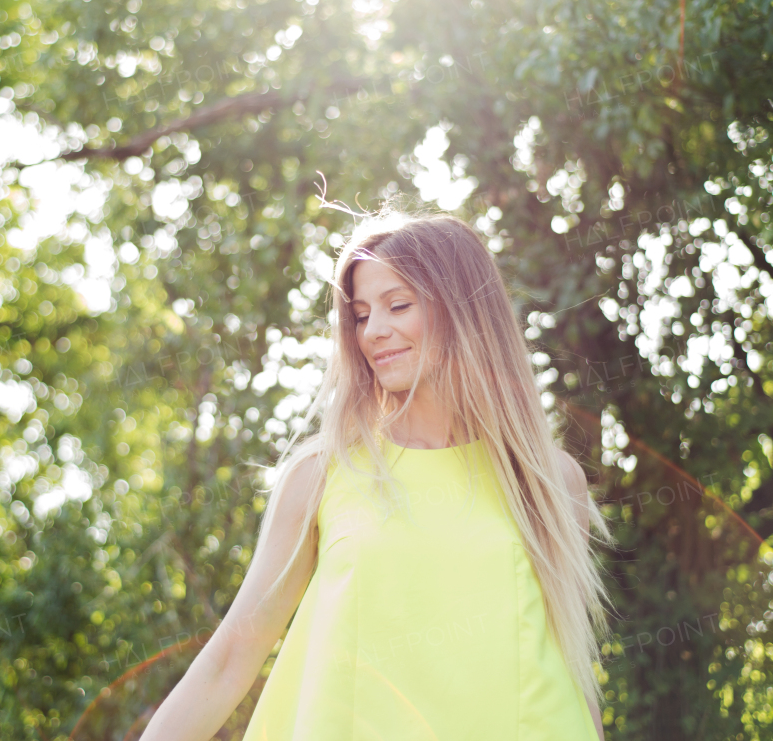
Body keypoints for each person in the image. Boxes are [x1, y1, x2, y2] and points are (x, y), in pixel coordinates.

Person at [137, 209, 614, 741]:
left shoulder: (549, 479)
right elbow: (232, 655)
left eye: (398, 305)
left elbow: (569, 663)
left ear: (466, 311)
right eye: (361, 315)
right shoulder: (322, 473)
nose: (374, 332)